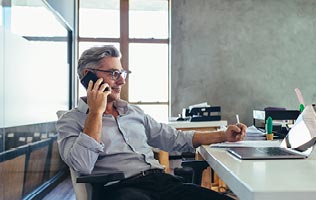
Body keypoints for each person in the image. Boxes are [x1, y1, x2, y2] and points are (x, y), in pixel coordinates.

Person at [57, 45, 247, 200]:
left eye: (123, 73)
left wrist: (223, 135)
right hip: (122, 190)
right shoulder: (71, 121)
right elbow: (82, 164)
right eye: (114, 73)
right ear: (88, 76)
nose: (122, 81)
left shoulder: (133, 112)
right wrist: (96, 112)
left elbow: (176, 139)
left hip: (162, 183)